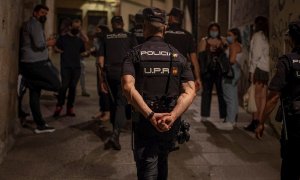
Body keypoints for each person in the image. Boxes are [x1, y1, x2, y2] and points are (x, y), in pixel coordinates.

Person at [122, 7, 196, 179]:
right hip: (169, 122)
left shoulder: (134, 54)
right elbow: (190, 91)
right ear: (164, 28)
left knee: (148, 164)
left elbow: (127, 87)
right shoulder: (177, 56)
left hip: (144, 119)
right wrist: (173, 115)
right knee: (163, 160)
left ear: (144, 27)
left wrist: (150, 115)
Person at [255, 21, 300, 180]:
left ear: (292, 40)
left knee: (290, 167)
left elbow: (273, 97)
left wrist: (261, 122)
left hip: (295, 125)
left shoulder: (288, 61)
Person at [20, 4, 60, 133]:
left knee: (35, 94)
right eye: (42, 12)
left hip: (29, 62)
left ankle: (40, 125)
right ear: (35, 13)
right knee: (56, 85)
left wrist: (45, 41)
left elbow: (36, 42)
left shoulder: (31, 24)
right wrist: (49, 43)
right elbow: (38, 45)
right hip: (35, 63)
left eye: (46, 14)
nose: (44, 15)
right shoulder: (35, 24)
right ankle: (27, 81)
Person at [99, 16, 137, 150]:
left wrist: (101, 80)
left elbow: (100, 60)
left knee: (114, 102)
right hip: (124, 72)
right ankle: (115, 134)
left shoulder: (106, 36)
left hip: (110, 73)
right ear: (123, 23)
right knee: (121, 103)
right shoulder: (130, 36)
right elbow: (135, 56)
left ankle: (114, 130)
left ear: (112, 24)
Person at [53, 19, 86, 117]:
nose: (77, 29)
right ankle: (59, 105)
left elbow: (82, 52)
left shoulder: (80, 40)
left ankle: (70, 108)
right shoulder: (63, 38)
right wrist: (58, 50)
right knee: (64, 87)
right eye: (75, 27)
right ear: (70, 27)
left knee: (72, 87)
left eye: (78, 27)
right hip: (66, 66)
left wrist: (87, 54)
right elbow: (56, 48)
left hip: (76, 68)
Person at [164, 7, 201, 91]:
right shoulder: (188, 35)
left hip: (165, 70)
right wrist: (198, 78)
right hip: (181, 71)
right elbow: (194, 59)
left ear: (172, 17)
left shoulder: (163, 33)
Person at [245, 16, 270, 132]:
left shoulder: (257, 36)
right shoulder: (266, 36)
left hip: (258, 69)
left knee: (256, 97)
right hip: (265, 69)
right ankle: (260, 122)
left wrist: (251, 71)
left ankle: (255, 121)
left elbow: (255, 55)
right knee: (263, 97)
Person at [198, 22, 227, 122]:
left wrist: (223, 44)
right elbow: (200, 57)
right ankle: (204, 115)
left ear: (218, 31)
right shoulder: (204, 40)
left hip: (219, 71)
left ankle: (224, 115)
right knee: (206, 93)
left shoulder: (222, 40)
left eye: (216, 30)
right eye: (212, 29)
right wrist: (208, 50)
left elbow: (226, 54)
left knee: (221, 93)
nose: (214, 32)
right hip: (207, 71)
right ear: (209, 30)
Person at [219, 28, 242, 130]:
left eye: (230, 35)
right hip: (236, 71)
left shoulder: (233, 45)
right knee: (233, 96)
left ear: (235, 36)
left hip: (230, 72)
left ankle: (230, 121)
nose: (228, 37)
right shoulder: (239, 45)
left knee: (229, 97)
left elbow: (232, 60)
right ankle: (233, 120)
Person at [92, 24, 111, 122]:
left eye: (98, 30)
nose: (96, 32)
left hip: (104, 68)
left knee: (104, 90)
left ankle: (107, 112)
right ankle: (102, 110)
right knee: (100, 90)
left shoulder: (106, 41)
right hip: (98, 67)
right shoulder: (99, 40)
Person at [78, 21, 91, 97]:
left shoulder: (81, 36)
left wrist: (80, 31)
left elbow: (86, 39)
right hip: (72, 59)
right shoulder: (71, 35)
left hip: (80, 58)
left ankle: (83, 90)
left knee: (82, 75)